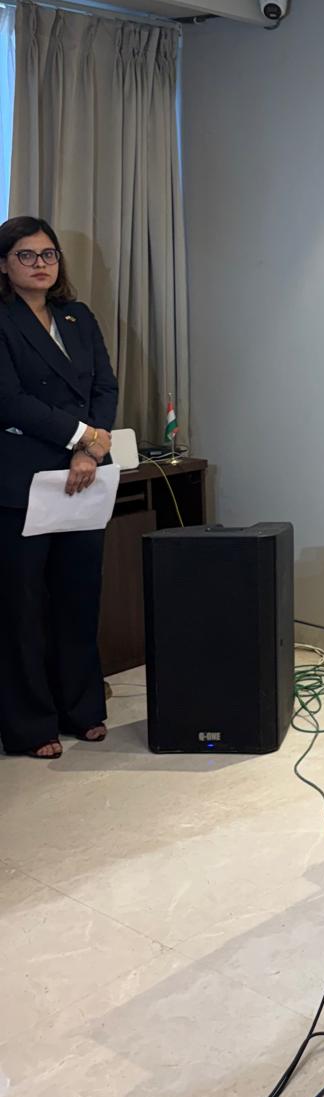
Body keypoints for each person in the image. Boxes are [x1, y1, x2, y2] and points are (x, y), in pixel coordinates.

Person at [0, 216, 118, 758]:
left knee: (79, 598)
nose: (40, 264)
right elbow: (10, 401)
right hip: (21, 480)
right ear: (4, 265)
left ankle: (82, 708)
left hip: (83, 474)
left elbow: (104, 387)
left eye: (48, 254)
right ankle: (31, 725)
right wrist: (81, 435)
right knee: (23, 608)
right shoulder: (3, 320)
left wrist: (90, 449)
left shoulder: (78, 316)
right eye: (26, 255)